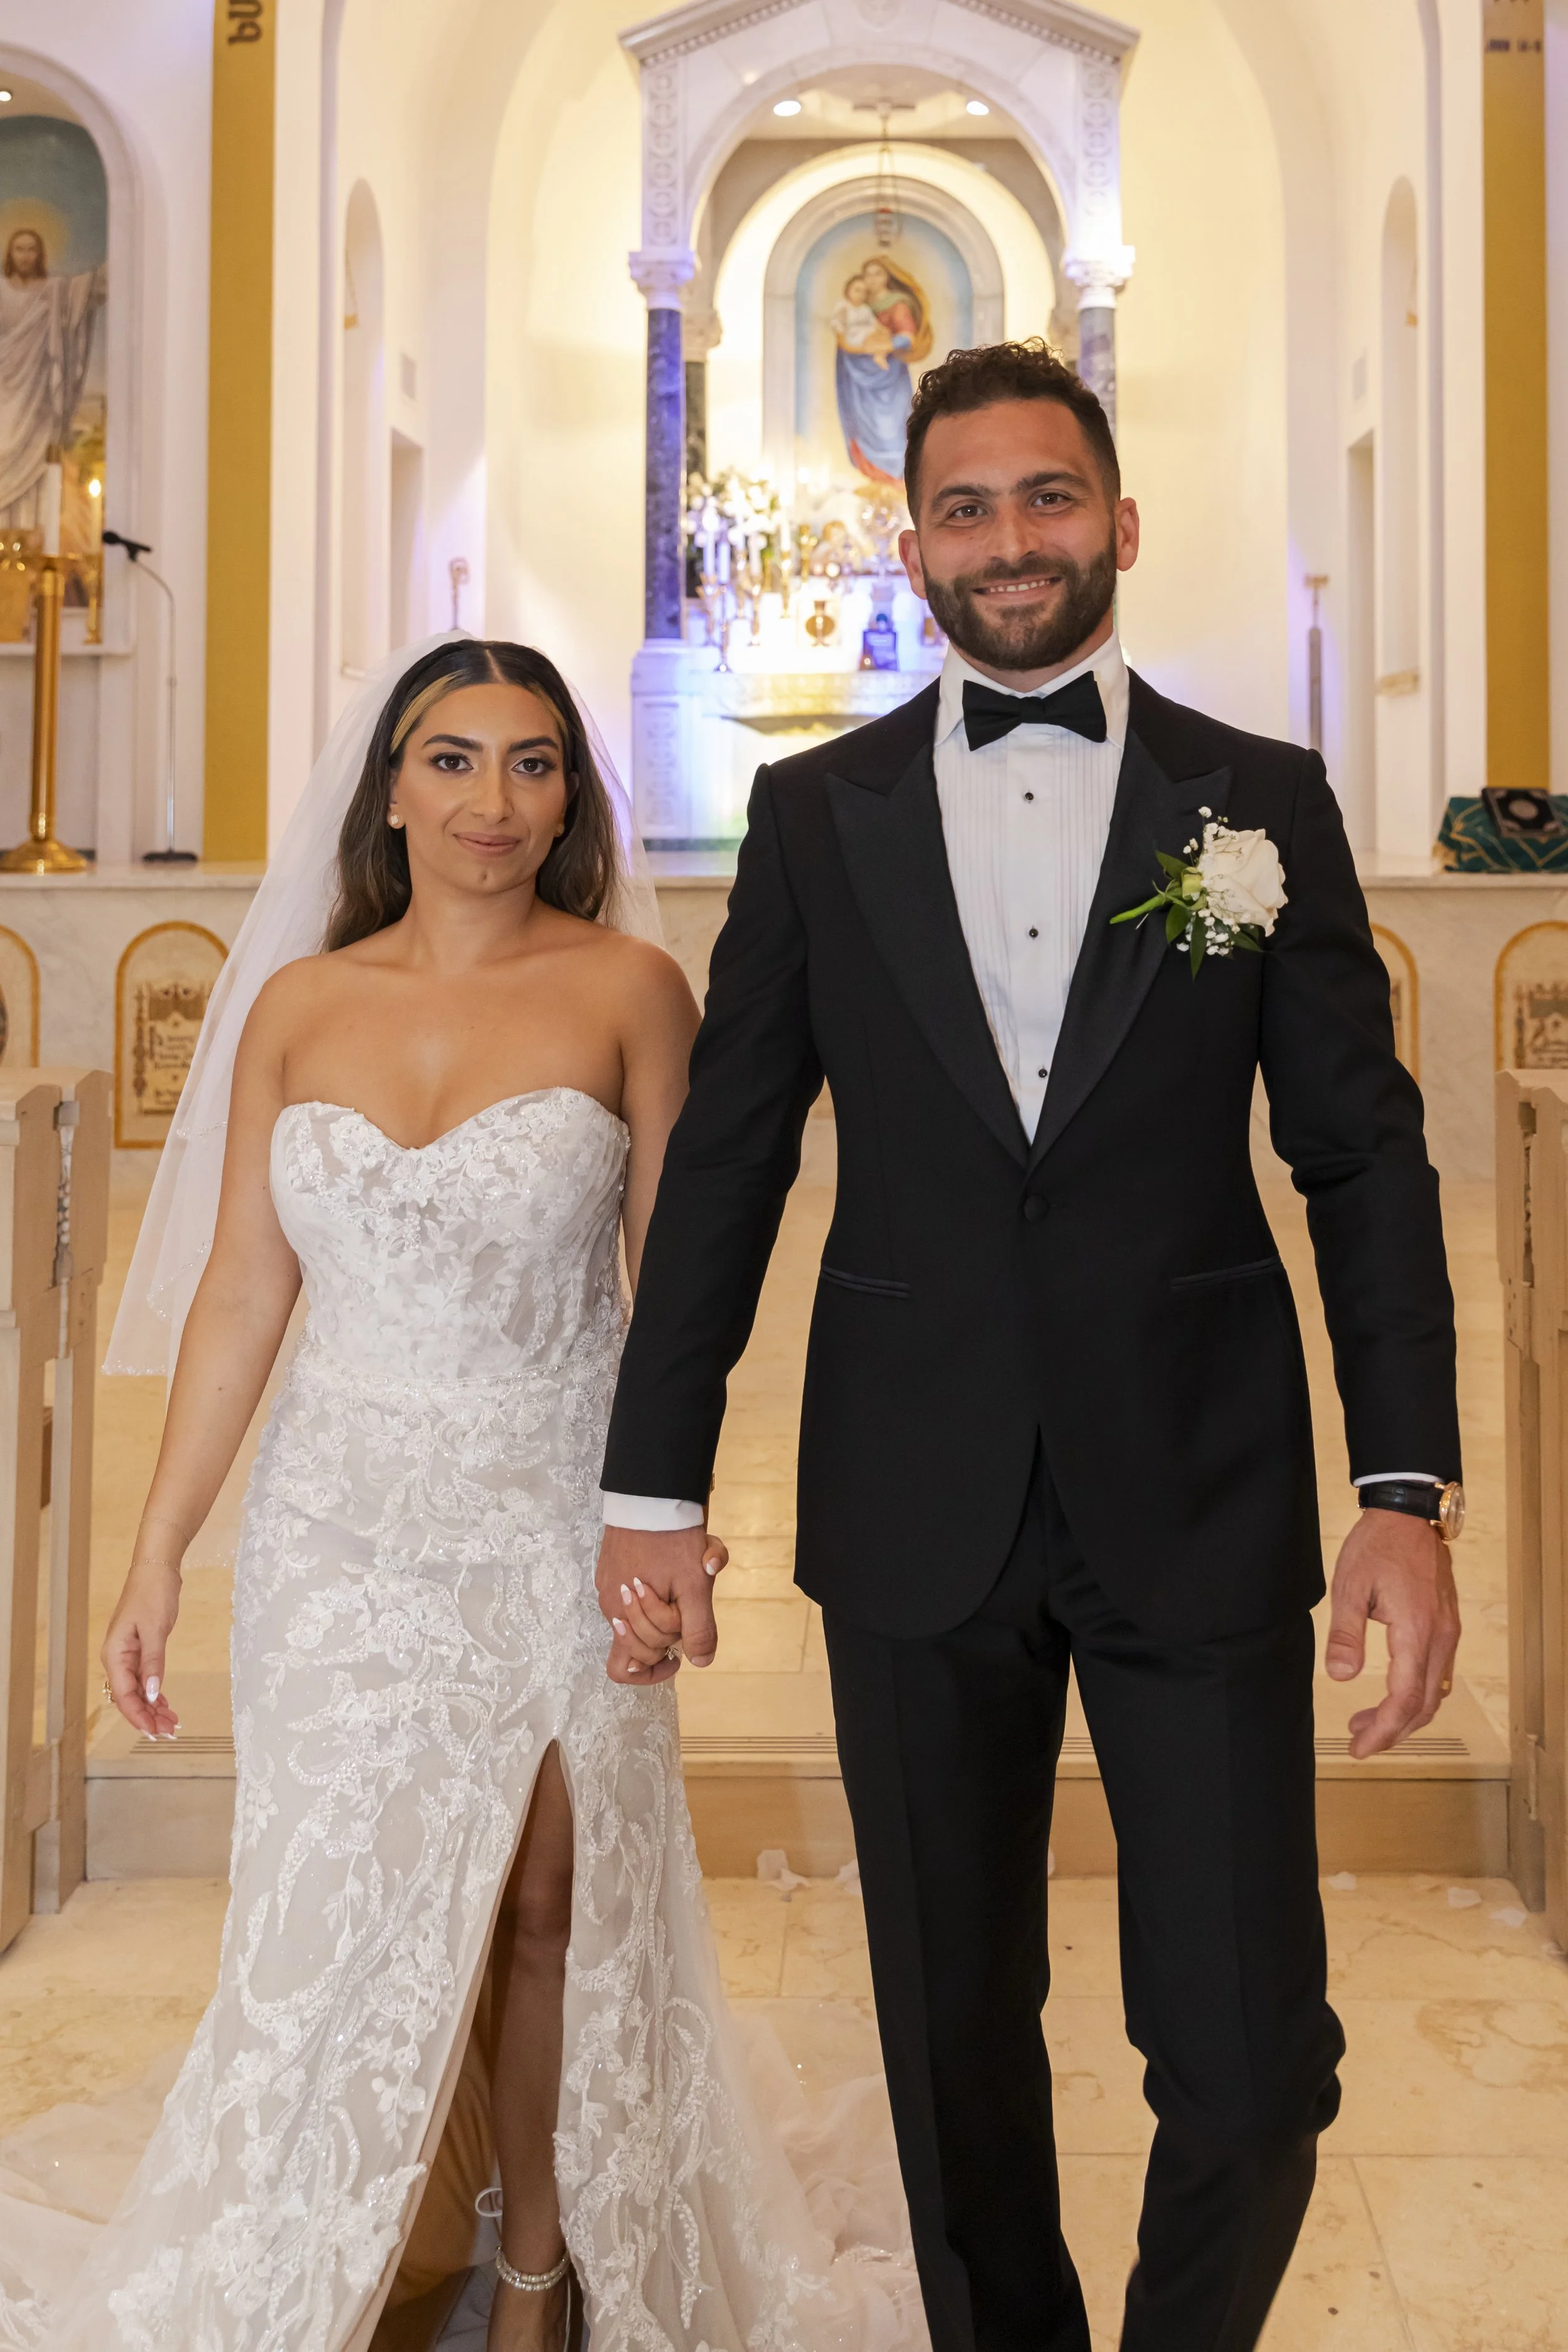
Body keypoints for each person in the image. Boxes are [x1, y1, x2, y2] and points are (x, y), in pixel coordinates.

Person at [598, 341, 1465, 2352]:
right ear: (913, 547)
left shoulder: (1260, 801)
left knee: (1254, 2067)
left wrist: (1400, 1486)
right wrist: (649, 1487)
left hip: (1201, 1484)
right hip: (913, 1497)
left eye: (1046, 498)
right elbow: (725, 1167)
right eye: (967, 508)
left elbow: (1362, 1154)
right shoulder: (811, 816)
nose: (1010, 542)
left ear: (1119, 523)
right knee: (957, 2065)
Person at [11, 638, 922, 2352]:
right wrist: (155, 1550)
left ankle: (537, 2268)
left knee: (544, 1903)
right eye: (450, 759)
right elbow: (236, 1294)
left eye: (530, 762)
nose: (490, 801)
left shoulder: (631, 991)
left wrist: (670, 1518)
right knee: (333, 1904)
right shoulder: (297, 1002)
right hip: (337, 1525)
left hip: (554, 1508)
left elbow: (683, 1282)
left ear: (572, 792)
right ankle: (318, 2244)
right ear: (389, 785)